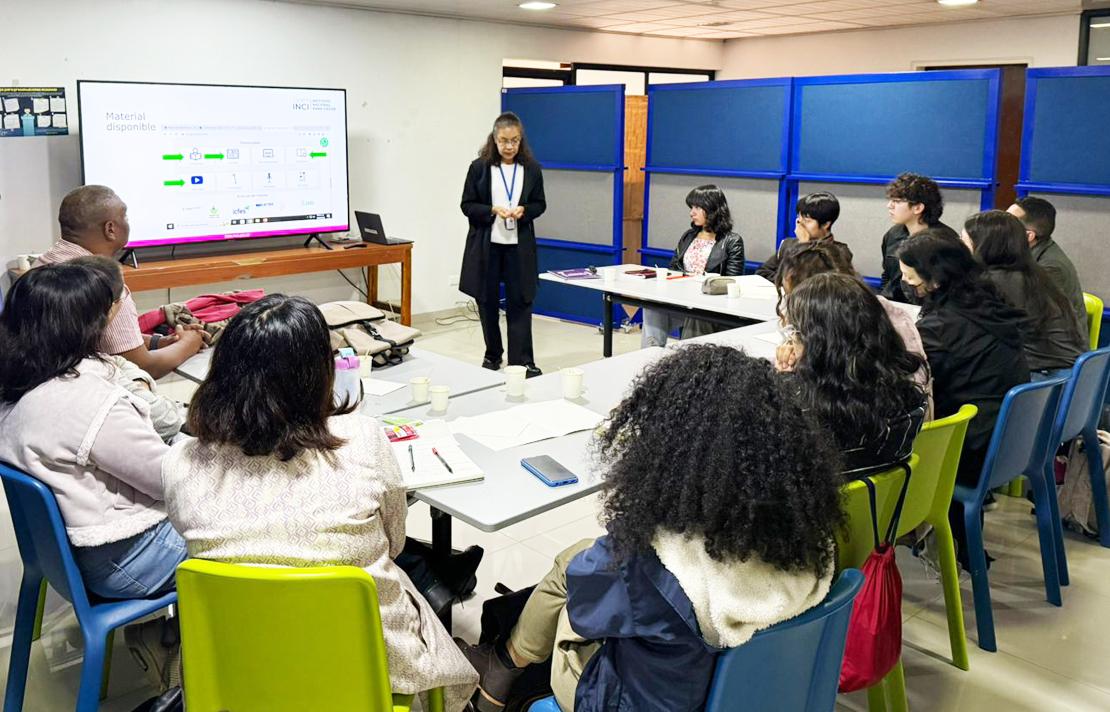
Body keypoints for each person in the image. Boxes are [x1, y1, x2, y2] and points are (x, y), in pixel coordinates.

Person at [458, 347, 843, 712]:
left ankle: (502, 668)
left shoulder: (648, 569)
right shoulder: (806, 544)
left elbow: (587, 610)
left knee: (569, 575)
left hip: (633, 702)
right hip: (752, 695)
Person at [161, 295, 478, 712]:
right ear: (319, 372)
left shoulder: (181, 460)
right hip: (366, 664)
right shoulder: (362, 438)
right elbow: (394, 543)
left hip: (234, 663)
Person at [0, 263, 185, 599]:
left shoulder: (20, 386)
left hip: (66, 556)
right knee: (252, 526)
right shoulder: (88, 402)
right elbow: (170, 481)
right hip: (129, 560)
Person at [897, 233, 1030, 568]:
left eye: (910, 277)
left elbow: (911, 378)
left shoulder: (943, 326)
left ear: (937, 279)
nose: (904, 282)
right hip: (1011, 440)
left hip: (971, 447)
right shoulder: (987, 302)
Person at [35, 185, 205, 379]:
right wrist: (190, 343)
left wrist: (159, 342)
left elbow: (98, 341)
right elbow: (142, 366)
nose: (128, 223)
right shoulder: (105, 286)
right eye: (125, 217)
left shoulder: (41, 266)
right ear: (110, 229)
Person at [776, 273, 928, 474]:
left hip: (827, 504)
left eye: (796, 332)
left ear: (821, 346)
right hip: (886, 502)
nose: (793, 340)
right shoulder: (910, 398)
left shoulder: (804, 419)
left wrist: (783, 381)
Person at [773, 241, 930, 403]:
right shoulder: (864, 313)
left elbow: (831, 395)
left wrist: (790, 378)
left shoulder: (863, 353)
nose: (789, 305)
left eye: (793, 295)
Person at [460, 112, 546, 378]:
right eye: (504, 141)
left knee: (521, 301)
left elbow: (540, 204)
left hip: (518, 248)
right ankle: (492, 354)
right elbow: (467, 205)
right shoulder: (479, 168)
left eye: (515, 141)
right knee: (486, 301)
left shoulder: (531, 168)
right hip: (488, 246)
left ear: (521, 141)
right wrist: (491, 210)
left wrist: (524, 210)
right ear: (494, 140)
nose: (509, 147)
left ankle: (521, 360)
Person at [71, 255, 186, 443]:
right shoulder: (89, 372)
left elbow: (120, 362)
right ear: (110, 308)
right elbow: (166, 420)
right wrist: (188, 342)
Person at [962, 210, 1086, 377]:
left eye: (964, 242)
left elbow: (966, 332)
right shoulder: (1033, 273)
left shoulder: (995, 281)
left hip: (1045, 381)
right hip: (1074, 377)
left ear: (984, 246)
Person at [641, 185, 745, 347]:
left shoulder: (732, 241)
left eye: (697, 207)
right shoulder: (689, 236)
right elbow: (673, 268)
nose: (692, 213)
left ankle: (686, 361)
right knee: (652, 307)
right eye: (691, 208)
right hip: (682, 298)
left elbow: (732, 282)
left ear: (712, 209)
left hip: (708, 304)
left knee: (696, 314)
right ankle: (650, 354)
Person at [1008, 196, 1087, 331]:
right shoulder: (1021, 252)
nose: (1000, 226)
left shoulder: (1051, 267)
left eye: (1008, 223)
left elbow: (1030, 319)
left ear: (1029, 236)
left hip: (1053, 347)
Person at [879, 173, 961, 303]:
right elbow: (887, 275)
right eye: (890, 200)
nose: (889, 205)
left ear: (918, 207)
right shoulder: (893, 234)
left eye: (897, 201)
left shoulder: (946, 242)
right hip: (895, 306)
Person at [755, 191, 853, 280]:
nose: (800, 223)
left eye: (807, 220)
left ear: (826, 224)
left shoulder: (840, 252)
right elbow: (762, 272)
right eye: (799, 217)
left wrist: (804, 245)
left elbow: (813, 284)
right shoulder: (788, 245)